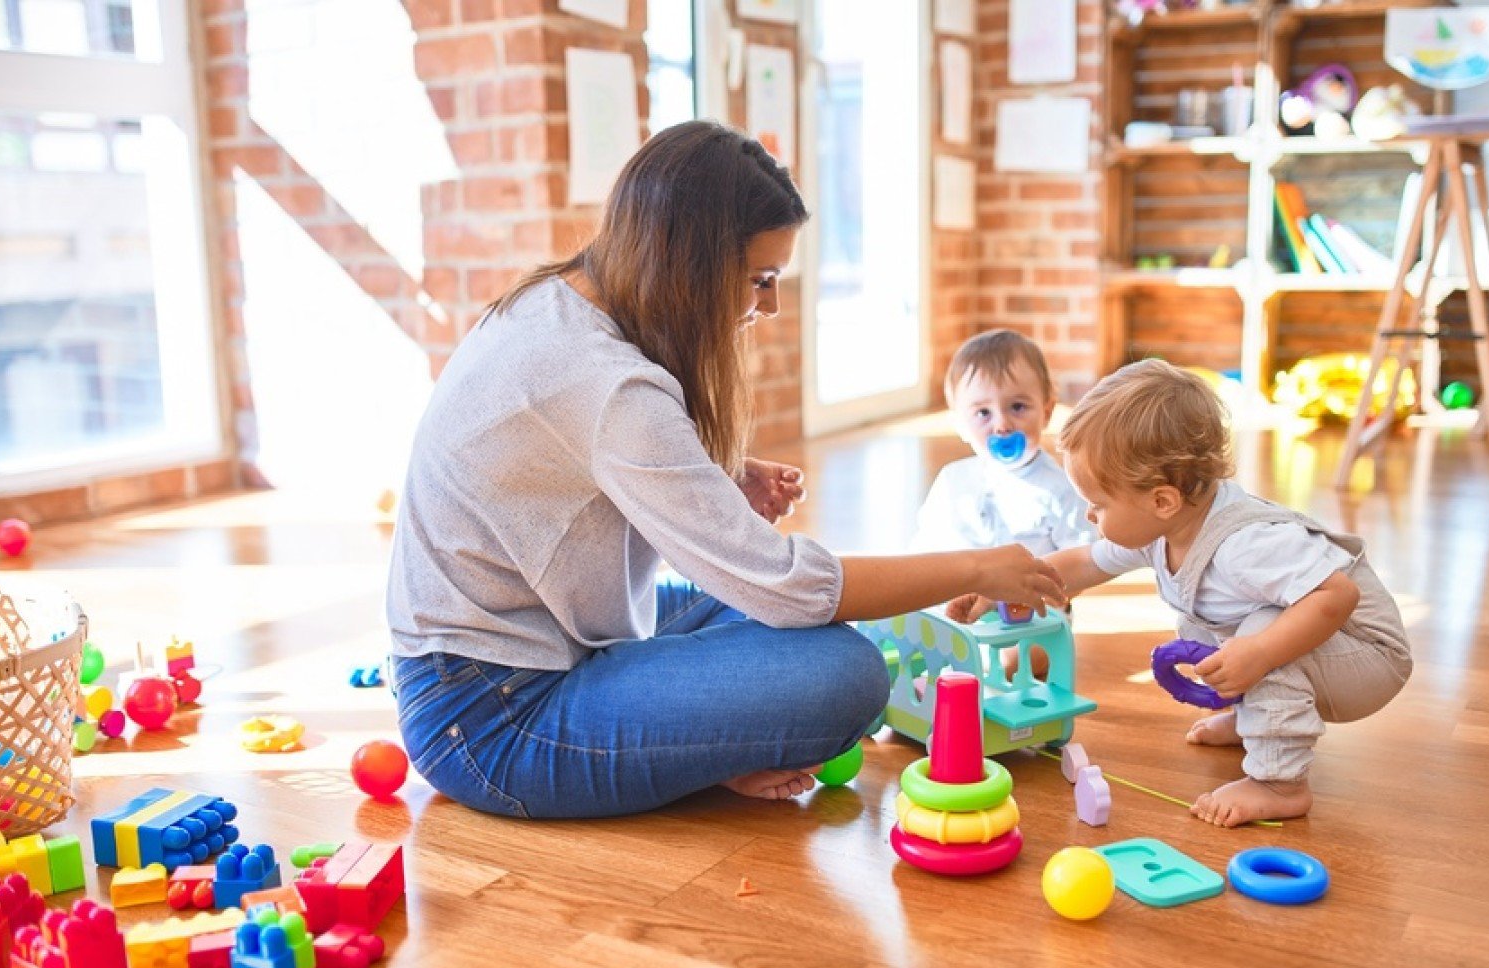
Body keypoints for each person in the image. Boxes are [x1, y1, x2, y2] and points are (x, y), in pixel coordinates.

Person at [386, 121, 1065, 820]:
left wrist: (713, 480)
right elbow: (790, 589)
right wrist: (979, 568)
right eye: (760, 279)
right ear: (692, 265)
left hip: (508, 649)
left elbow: (568, 469)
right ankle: (690, 752)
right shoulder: (614, 386)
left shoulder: (553, 303)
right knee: (847, 673)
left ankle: (689, 745)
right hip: (493, 717)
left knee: (785, 626)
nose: (766, 305)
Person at [949, 359, 1412, 826]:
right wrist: (1004, 586)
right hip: (1324, 642)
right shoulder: (1167, 523)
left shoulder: (1244, 545)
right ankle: (1256, 717)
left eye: (1099, 504)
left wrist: (1260, 653)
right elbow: (1086, 562)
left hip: (1367, 654)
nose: (1090, 516)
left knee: (1258, 632)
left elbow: (1337, 596)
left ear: (1163, 500)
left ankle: (1280, 783)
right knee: (1223, 620)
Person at [911, 329, 1091, 557]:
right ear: (959, 423)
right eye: (983, 412)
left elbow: (1080, 561)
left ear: (1046, 412)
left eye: (1017, 407)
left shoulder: (1062, 489)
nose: (1002, 425)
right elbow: (926, 547)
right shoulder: (951, 481)